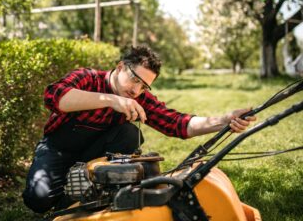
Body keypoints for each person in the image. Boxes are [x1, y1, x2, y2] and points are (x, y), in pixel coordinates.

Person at [22, 45, 256, 213]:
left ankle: (85, 196)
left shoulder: (139, 98)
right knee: (38, 200)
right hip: (58, 148)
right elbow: (54, 96)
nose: (137, 91)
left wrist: (224, 120)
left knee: (129, 134)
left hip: (93, 154)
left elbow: (177, 123)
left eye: (144, 87)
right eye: (135, 80)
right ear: (121, 66)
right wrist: (110, 100)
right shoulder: (88, 78)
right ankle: (68, 189)